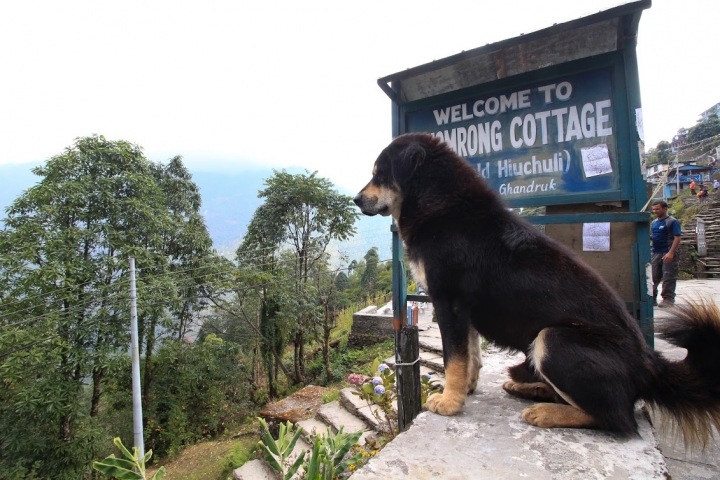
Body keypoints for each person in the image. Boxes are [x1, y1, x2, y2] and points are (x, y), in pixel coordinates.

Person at [651, 200, 681, 308]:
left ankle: (668, 299)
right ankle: (652, 298)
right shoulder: (654, 223)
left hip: (668, 252)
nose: (655, 211)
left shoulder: (672, 222)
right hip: (655, 253)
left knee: (669, 277)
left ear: (665, 208)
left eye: (657, 209)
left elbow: (677, 238)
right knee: (652, 277)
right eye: (654, 209)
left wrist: (671, 253)